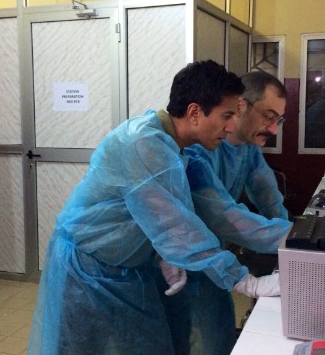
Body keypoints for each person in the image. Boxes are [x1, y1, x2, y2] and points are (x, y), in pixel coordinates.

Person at [27, 60, 283, 355]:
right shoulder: (142, 144)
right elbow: (177, 227)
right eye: (226, 116)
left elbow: (223, 213)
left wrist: (292, 237)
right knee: (79, 347)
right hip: (86, 267)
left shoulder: (185, 152)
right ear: (195, 112)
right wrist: (244, 281)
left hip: (129, 268)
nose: (230, 127)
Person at [160, 70, 293, 355]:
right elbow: (223, 217)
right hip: (186, 259)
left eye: (278, 120)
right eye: (269, 117)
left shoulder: (244, 148)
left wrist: (292, 241)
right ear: (242, 105)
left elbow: (268, 196)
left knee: (217, 338)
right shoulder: (196, 147)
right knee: (193, 339)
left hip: (210, 255)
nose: (273, 129)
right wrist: (298, 239)